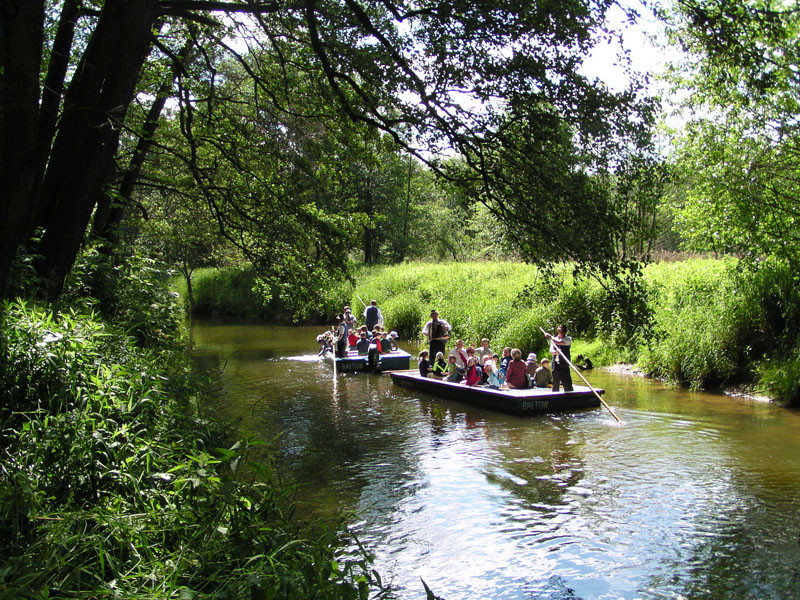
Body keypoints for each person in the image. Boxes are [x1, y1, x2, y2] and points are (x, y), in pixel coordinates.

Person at [546, 324, 573, 392]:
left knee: (567, 383)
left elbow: (558, 342)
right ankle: (555, 397)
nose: (563, 333)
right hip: (555, 365)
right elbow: (551, 350)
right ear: (558, 331)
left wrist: (550, 337)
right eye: (561, 331)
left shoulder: (568, 339)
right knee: (555, 383)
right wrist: (555, 352)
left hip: (564, 365)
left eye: (564, 331)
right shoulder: (554, 339)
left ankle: (570, 396)